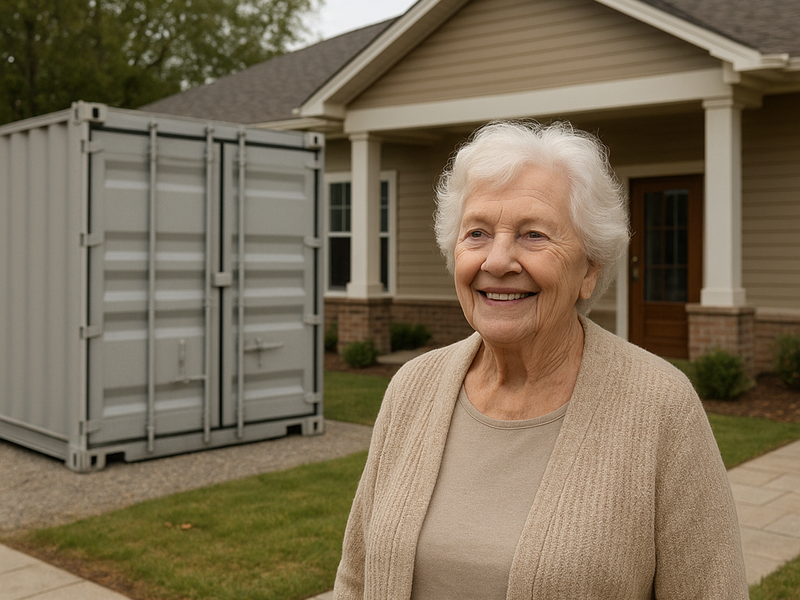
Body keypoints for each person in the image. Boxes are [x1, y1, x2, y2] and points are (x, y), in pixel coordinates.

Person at [332, 120, 748, 599]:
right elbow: (356, 578)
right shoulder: (413, 387)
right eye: (477, 233)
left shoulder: (660, 406)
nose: (496, 261)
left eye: (533, 235)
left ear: (589, 270)